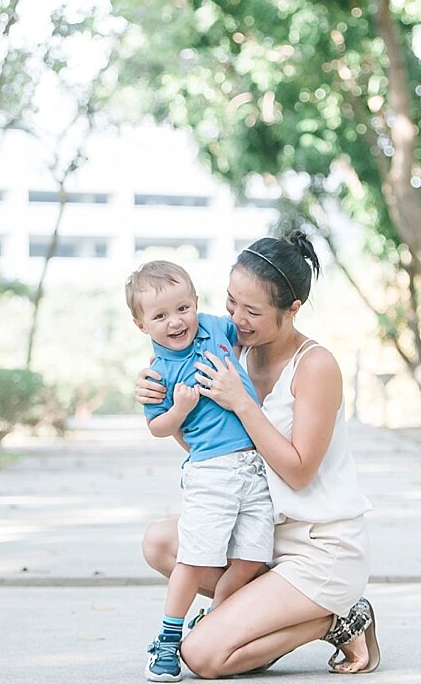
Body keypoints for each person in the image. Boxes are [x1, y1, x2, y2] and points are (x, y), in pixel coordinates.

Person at [135, 232, 380, 677]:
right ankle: (268, 611)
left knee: (204, 658)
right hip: (261, 532)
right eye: (231, 304)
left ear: (292, 309)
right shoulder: (234, 354)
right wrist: (168, 404)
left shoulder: (316, 365)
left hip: (318, 547)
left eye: (252, 311)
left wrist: (242, 403)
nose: (237, 319)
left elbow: (299, 472)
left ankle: (337, 617)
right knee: (160, 542)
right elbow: (208, 448)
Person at [126, 260, 274, 682]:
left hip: (256, 467)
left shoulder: (215, 328)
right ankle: (169, 639)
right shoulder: (158, 374)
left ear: (196, 303)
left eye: (182, 308)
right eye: (160, 316)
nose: (176, 322)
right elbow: (157, 428)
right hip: (212, 472)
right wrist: (180, 408)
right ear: (141, 325)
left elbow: (245, 333)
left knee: (249, 559)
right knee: (195, 557)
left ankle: (213, 623)